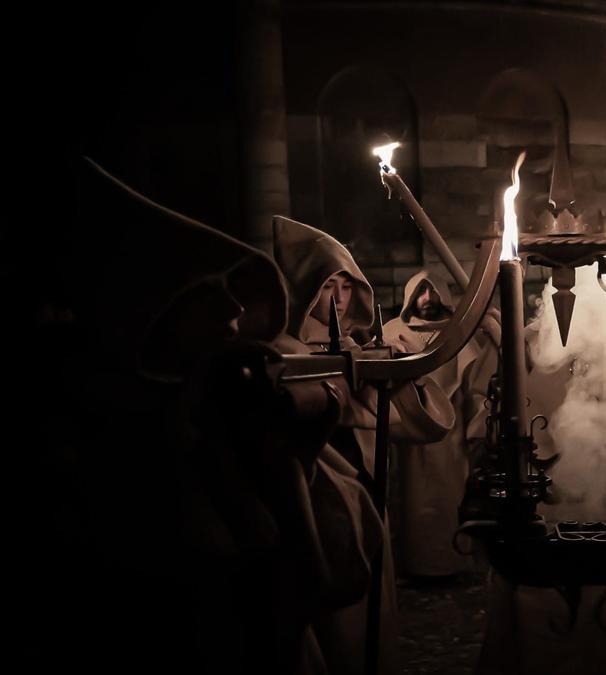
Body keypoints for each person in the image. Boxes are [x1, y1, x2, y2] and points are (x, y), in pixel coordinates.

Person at [42, 158, 380, 674]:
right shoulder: (142, 440)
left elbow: (319, 572)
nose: (233, 310)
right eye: (206, 291)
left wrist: (301, 455)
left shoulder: (218, 408)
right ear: (156, 309)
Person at [271, 215, 456, 674]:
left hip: (364, 490)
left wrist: (393, 374)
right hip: (314, 493)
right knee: (332, 628)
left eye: (347, 286)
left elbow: (422, 423)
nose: (337, 297)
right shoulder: (279, 351)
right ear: (304, 287)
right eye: (327, 284)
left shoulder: (362, 347)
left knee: (369, 618)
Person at [386, 271, 499, 578]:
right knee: (408, 503)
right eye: (420, 292)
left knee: (450, 501)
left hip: (450, 439)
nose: (427, 299)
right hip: (407, 435)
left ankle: (450, 564)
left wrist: (478, 431)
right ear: (410, 296)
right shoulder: (394, 331)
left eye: (432, 291)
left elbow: (475, 381)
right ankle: (415, 565)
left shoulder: (457, 333)